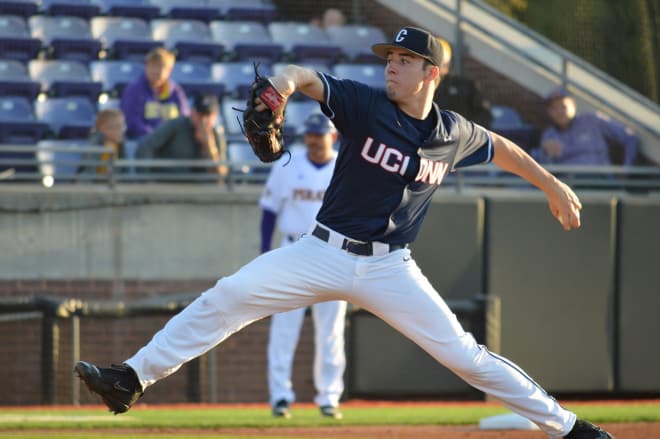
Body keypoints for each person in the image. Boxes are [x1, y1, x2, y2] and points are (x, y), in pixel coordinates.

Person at [75, 26, 613, 439]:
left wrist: (550, 184)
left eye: (405, 61)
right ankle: (130, 379)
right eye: (390, 59)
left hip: (389, 267)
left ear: (432, 73)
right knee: (228, 296)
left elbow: (504, 148)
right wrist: (282, 86)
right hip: (320, 251)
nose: (392, 68)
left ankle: (568, 428)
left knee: (466, 357)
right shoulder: (365, 105)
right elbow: (303, 75)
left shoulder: (453, 132)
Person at [260, 113, 345, 420]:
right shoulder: (289, 163)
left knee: (331, 331)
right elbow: (269, 211)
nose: (313, 139)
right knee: (284, 328)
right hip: (293, 249)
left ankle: (329, 397)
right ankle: (280, 396)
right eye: (310, 133)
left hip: (333, 253)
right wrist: (264, 253)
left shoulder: (343, 166)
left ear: (332, 137)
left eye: (319, 134)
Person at [533, 87, 638, 166]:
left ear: (573, 105)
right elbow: (547, 171)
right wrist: (545, 153)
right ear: (549, 113)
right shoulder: (549, 135)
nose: (559, 112)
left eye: (563, 106)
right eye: (554, 108)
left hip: (600, 182)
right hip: (569, 184)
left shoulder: (592, 120)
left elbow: (630, 138)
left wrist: (626, 173)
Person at [135, 93, 227, 177]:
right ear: (192, 112)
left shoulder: (217, 134)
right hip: (167, 185)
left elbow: (220, 176)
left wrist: (209, 146)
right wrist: (146, 181)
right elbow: (145, 146)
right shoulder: (177, 125)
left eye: (208, 115)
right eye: (200, 114)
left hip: (199, 190)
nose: (203, 120)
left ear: (215, 116)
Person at [120, 47, 190, 140]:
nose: (156, 71)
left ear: (169, 71)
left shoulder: (176, 92)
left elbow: (183, 119)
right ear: (146, 66)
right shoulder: (134, 90)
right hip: (144, 141)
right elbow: (132, 121)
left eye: (161, 67)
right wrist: (155, 137)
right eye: (153, 66)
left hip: (171, 142)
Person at [433, 37, 492, 129]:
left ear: (448, 63)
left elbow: (484, 115)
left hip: (461, 138)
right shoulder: (423, 86)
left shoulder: (465, 85)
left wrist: (467, 131)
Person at [77, 108, 127, 178]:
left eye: (123, 126)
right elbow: (88, 173)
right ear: (103, 129)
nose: (122, 130)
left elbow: (125, 173)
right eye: (117, 127)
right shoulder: (94, 146)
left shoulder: (121, 144)